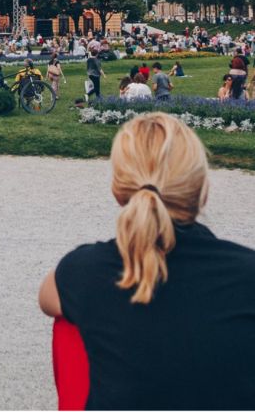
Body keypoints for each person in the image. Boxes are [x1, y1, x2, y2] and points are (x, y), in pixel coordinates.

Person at [38, 113, 255, 410]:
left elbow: (47, 298)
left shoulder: (84, 272)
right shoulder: (247, 274)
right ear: (202, 192)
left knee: (69, 323)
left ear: (118, 192)